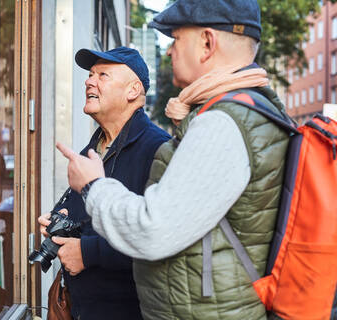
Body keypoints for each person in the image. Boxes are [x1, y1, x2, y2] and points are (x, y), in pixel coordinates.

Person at [56, 1, 292, 319]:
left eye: (176, 38)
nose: (169, 51)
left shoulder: (222, 122)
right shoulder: (238, 113)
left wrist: (93, 186)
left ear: (207, 43)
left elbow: (153, 231)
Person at [38, 46, 170, 320]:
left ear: (133, 90)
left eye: (103, 75)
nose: (89, 81)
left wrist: (88, 253)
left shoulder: (159, 149)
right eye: (90, 74)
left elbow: (163, 240)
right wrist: (61, 220)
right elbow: (92, 216)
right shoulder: (95, 146)